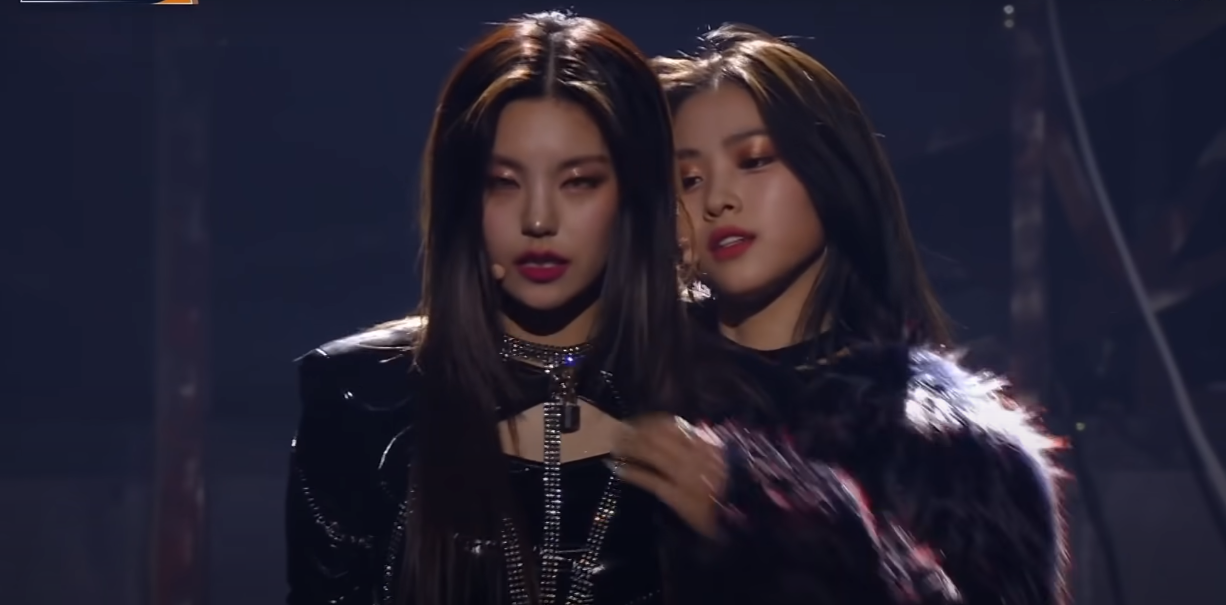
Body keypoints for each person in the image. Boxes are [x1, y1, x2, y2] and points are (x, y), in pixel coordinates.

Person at [611, 24, 1068, 605]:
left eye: (754, 160)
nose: (718, 199)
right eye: (689, 179)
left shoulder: (962, 456)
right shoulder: (633, 397)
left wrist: (772, 522)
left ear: (832, 173)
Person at [284, 11, 726, 605]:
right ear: (463, 197)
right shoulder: (359, 397)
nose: (538, 220)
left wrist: (741, 537)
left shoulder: (725, 396)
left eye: (578, 181)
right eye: (503, 182)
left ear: (634, 194)